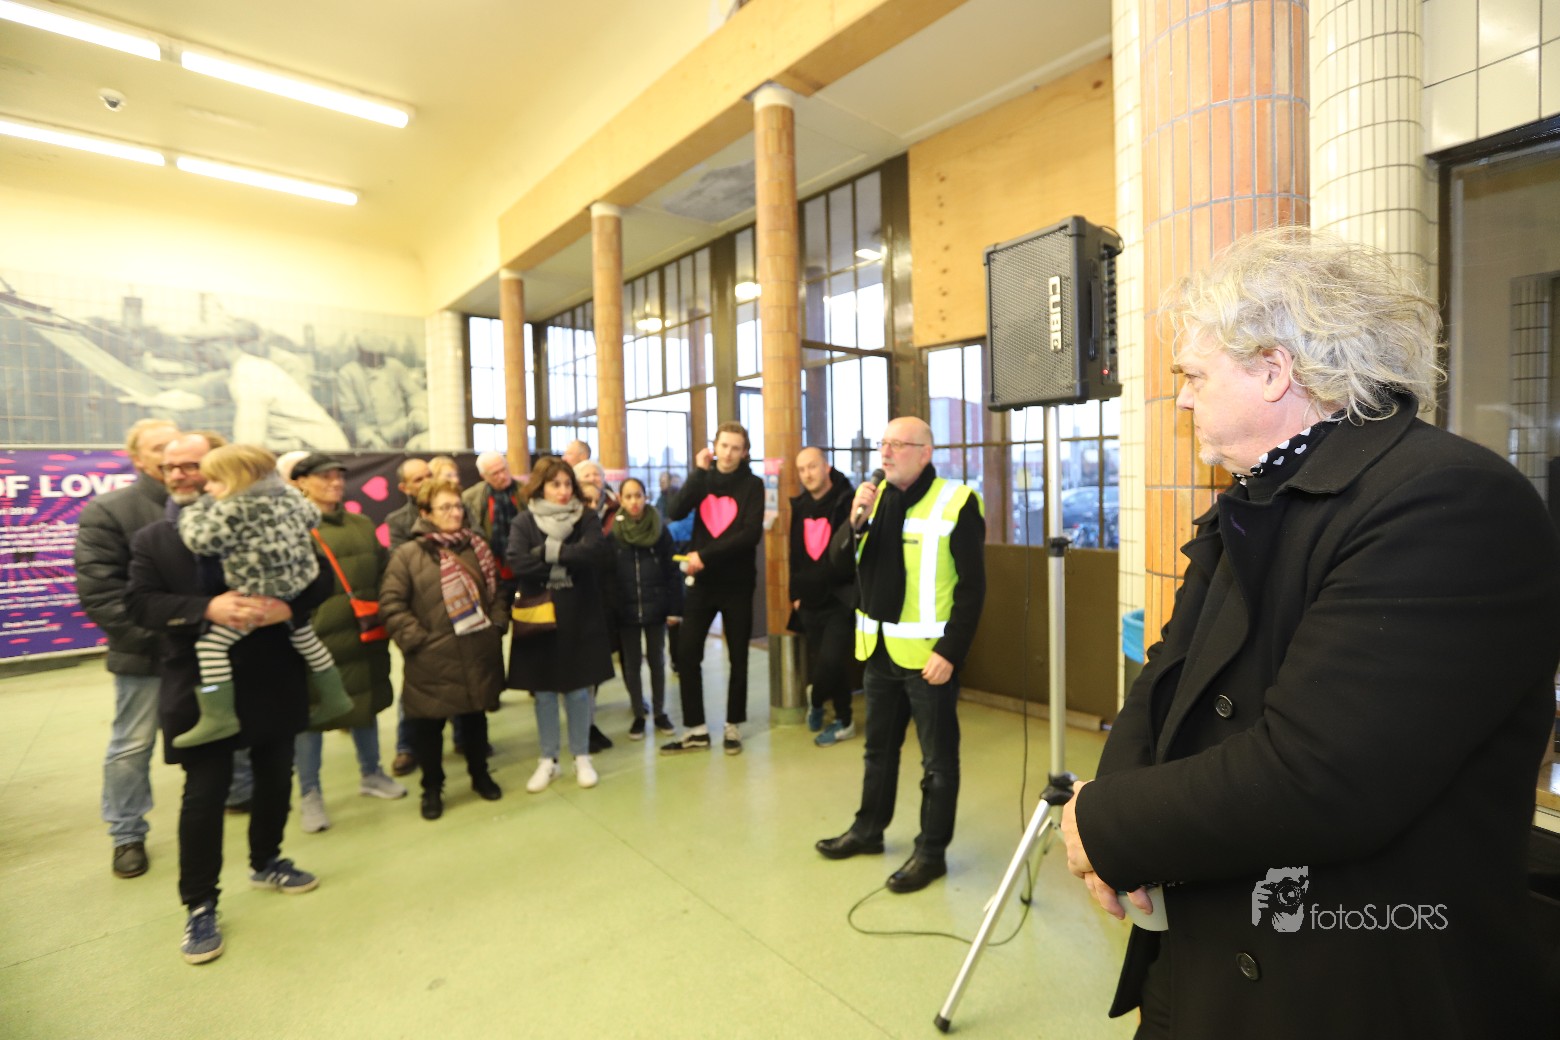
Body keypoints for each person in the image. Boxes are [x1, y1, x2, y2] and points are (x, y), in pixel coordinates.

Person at [1057, 228, 1560, 1039]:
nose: (1181, 401)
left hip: (1354, 978)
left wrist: (1106, 825)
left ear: (1272, 369)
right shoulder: (1256, 497)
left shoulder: (1450, 500)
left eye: (1192, 376)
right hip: (1204, 953)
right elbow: (1167, 679)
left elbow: (1320, 777)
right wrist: (1115, 831)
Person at [125, 431, 329, 965]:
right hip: (200, 682)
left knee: (275, 775)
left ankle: (267, 861)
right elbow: (141, 604)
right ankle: (200, 903)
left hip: (272, 673)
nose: (180, 474)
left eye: (192, 464)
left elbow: (320, 579)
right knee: (205, 793)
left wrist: (291, 608)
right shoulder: (156, 538)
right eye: (170, 467)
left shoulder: (276, 516)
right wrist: (206, 610)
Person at [814, 416, 985, 895]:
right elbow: (837, 564)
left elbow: (973, 588)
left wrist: (951, 651)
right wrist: (855, 520)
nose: (885, 453)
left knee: (937, 763)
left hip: (930, 661)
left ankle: (931, 854)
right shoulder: (874, 499)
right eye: (882, 444)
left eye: (898, 444)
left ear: (925, 452)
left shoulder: (956, 502)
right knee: (877, 753)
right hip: (879, 652)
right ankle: (868, 830)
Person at [173, 444, 352, 747]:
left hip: (258, 592)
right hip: (296, 584)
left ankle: (219, 716)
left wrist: (194, 510)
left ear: (235, 479)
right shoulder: (289, 496)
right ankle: (336, 696)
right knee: (305, 637)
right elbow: (312, 517)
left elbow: (201, 540)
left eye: (214, 481)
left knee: (211, 646)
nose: (208, 488)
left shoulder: (233, 508)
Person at [73, 417, 180, 879]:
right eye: (159, 448)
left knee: (222, 729)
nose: (171, 455)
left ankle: (238, 793)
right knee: (132, 745)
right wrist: (169, 637)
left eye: (176, 445)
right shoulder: (109, 511)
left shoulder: (209, 504)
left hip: (207, 650)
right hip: (145, 655)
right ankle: (127, 833)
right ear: (135, 458)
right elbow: (102, 596)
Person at [380, 480, 508, 820]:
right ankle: (432, 788)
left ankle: (480, 776)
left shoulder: (476, 547)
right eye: (445, 507)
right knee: (429, 730)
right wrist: (419, 640)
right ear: (425, 513)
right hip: (431, 658)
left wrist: (496, 625)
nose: (454, 513)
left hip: (476, 650)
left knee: (475, 720)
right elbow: (391, 604)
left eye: (457, 506)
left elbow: (496, 592)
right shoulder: (409, 555)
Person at [290, 452, 404, 832]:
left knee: (363, 704)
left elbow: (383, 571)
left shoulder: (361, 523)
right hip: (314, 640)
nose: (335, 483)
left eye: (338, 476)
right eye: (324, 477)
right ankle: (310, 794)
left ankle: (372, 773)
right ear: (301, 482)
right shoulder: (293, 527)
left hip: (363, 634)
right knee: (311, 718)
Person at [506, 457, 615, 792]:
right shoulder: (525, 521)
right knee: (544, 692)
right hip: (540, 614)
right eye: (555, 484)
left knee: (579, 690)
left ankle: (581, 756)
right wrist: (569, 558)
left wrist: (545, 553)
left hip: (580, 612)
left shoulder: (587, 518)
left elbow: (594, 554)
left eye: (568, 484)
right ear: (540, 487)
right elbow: (517, 562)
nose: (564, 491)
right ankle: (548, 759)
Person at [659, 422, 764, 756]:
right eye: (724, 446)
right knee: (687, 653)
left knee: (738, 656)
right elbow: (674, 511)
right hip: (702, 585)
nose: (729, 453)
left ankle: (733, 725)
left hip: (737, 585)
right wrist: (698, 472)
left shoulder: (753, 485)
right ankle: (696, 729)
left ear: (745, 452)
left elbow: (749, 534)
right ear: (714, 447)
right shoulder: (703, 480)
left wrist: (705, 555)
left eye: (736, 448)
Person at [787, 447, 857, 747]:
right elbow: (795, 553)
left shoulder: (846, 501)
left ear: (826, 467)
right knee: (830, 665)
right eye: (802, 470)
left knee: (830, 661)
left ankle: (816, 700)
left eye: (812, 467)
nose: (807, 474)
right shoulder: (800, 506)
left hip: (840, 598)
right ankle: (844, 720)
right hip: (809, 601)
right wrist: (795, 594)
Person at [606, 477, 679, 740]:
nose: (634, 501)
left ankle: (659, 712)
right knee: (632, 663)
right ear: (620, 500)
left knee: (657, 661)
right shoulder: (614, 533)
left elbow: (673, 571)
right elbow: (609, 575)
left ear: (646, 497)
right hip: (626, 608)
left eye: (638, 495)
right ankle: (638, 713)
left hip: (656, 606)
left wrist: (674, 608)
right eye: (628, 497)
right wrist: (613, 607)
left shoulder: (660, 529)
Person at [387, 457, 433, 552]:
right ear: (404, 488)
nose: (428, 482)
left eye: (429, 475)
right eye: (419, 479)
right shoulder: (397, 521)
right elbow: (401, 557)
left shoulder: (458, 509)